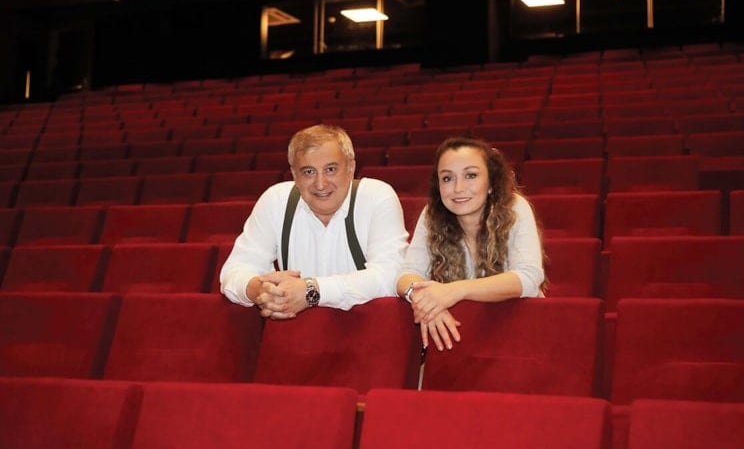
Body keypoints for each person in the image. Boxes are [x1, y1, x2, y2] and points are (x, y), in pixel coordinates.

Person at [220, 124, 408, 319]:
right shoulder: (276, 201)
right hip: (298, 333)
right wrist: (262, 291)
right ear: (295, 175)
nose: (320, 184)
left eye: (331, 169)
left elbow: (390, 276)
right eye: (308, 172)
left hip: (367, 328)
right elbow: (234, 271)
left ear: (351, 168)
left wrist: (312, 291)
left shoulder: (376, 197)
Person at [396, 136, 545, 352]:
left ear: (491, 183)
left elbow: (529, 279)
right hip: (460, 334)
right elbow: (407, 275)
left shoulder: (515, 207)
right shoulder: (432, 214)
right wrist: (424, 300)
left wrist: (455, 291)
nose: (458, 188)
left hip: (519, 330)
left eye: (471, 175)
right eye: (447, 178)